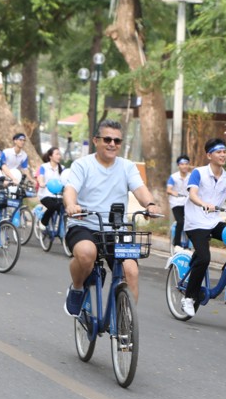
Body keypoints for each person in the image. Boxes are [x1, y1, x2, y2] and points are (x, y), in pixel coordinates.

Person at [62, 120, 157, 316]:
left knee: (131, 271)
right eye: (107, 139)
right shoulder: (82, 165)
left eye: (117, 140)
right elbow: (70, 189)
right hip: (84, 225)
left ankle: (125, 323)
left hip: (116, 229)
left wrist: (150, 205)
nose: (112, 144)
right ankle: (77, 288)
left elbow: (140, 190)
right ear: (96, 140)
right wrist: (71, 205)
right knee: (87, 253)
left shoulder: (127, 166)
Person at [178, 140, 226, 317]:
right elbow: (192, 194)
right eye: (218, 151)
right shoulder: (199, 173)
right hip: (195, 222)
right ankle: (189, 297)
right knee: (205, 258)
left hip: (213, 222)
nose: (222, 155)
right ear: (209, 155)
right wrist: (204, 204)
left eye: (224, 151)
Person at [166, 154, 193, 251]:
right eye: (182, 164)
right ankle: (176, 243)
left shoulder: (191, 176)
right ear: (178, 165)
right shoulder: (173, 177)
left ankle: (190, 244)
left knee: (191, 222)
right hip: (176, 203)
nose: (184, 166)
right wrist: (174, 192)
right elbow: (168, 189)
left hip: (188, 202)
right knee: (180, 221)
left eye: (186, 164)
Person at [36, 146, 65, 229]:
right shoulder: (44, 167)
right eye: (57, 154)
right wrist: (41, 183)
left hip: (58, 195)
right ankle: (43, 221)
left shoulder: (62, 168)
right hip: (45, 194)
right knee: (52, 206)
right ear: (50, 156)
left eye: (59, 154)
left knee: (63, 209)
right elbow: (40, 176)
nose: (59, 156)